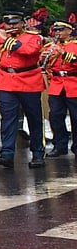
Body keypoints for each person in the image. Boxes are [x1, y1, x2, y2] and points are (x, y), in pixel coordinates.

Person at [0, 10, 46, 169]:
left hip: (28, 81)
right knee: (7, 118)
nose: (12, 26)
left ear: (23, 23)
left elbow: (28, 51)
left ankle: (37, 154)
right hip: (6, 81)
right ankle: (7, 153)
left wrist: (5, 38)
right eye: (8, 23)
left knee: (34, 118)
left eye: (15, 23)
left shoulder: (33, 37)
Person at [44, 20, 77, 157]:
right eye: (56, 30)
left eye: (61, 30)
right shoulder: (50, 46)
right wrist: (43, 58)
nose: (58, 33)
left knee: (76, 117)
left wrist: (63, 53)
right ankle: (60, 145)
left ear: (69, 31)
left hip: (73, 83)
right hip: (57, 84)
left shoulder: (75, 45)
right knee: (55, 116)